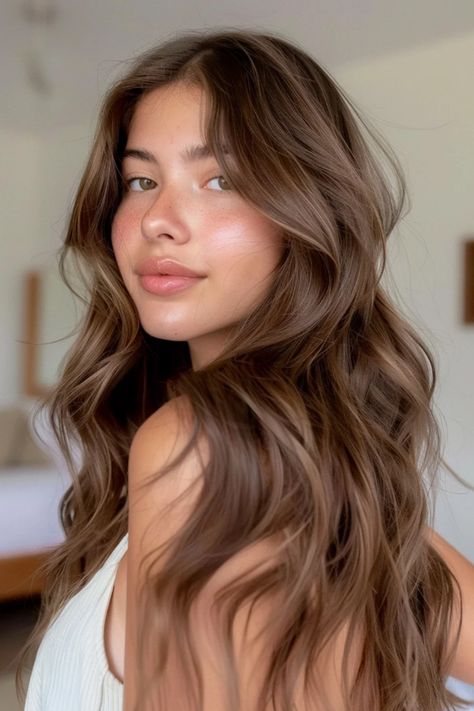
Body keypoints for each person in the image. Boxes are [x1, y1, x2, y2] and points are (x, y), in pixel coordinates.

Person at [17, 28, 474, 711]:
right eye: (141, 180)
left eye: (221, 179)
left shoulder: (197, 448)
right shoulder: (344, 484)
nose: (158, 221)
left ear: (306, 213)